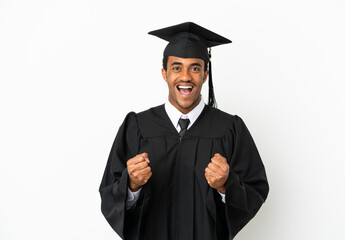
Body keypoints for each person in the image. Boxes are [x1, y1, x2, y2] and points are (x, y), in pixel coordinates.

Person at [99, 22, 269, 240]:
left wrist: (226, 186)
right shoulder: (137, 126)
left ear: (205, 74)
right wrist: (130, 185)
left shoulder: (230, 128)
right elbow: (108, 193)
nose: (186, 76)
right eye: (177, 67)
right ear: (164, 73)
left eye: (195, 68)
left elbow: (256, 190)